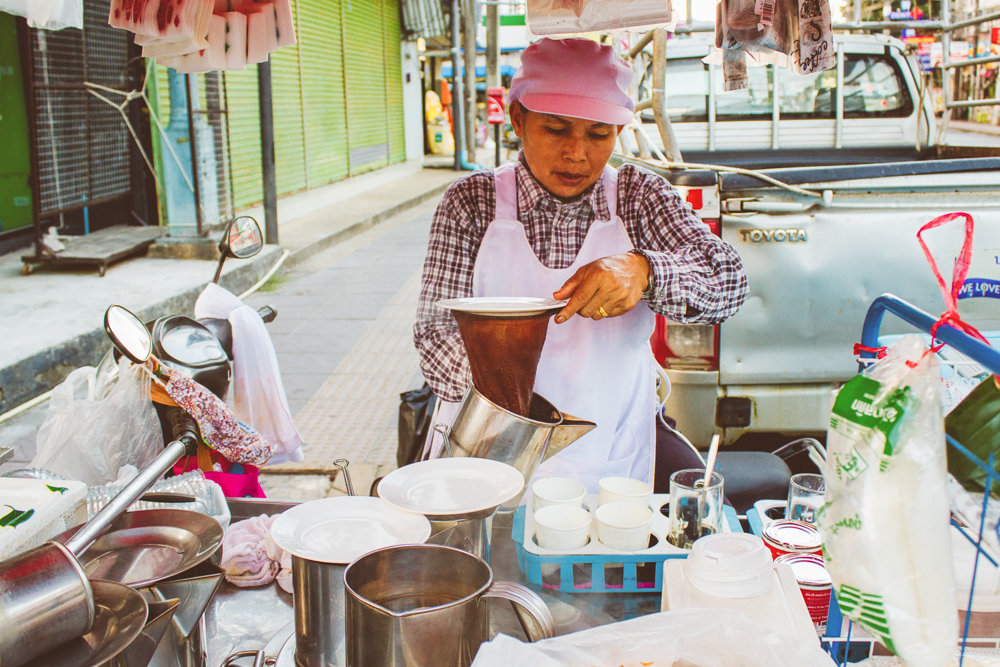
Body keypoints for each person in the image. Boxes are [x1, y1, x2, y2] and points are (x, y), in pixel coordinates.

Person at [414, 37, 748, 493]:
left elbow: (728, 281)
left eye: (598, 134)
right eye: (556, 129)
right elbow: (435, 336)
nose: (577, 154)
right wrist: (524, 418)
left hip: (613, 445)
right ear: (518, 119)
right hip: (488, 448)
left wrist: (645, 270)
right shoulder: (472, 203)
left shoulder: (638, 196)